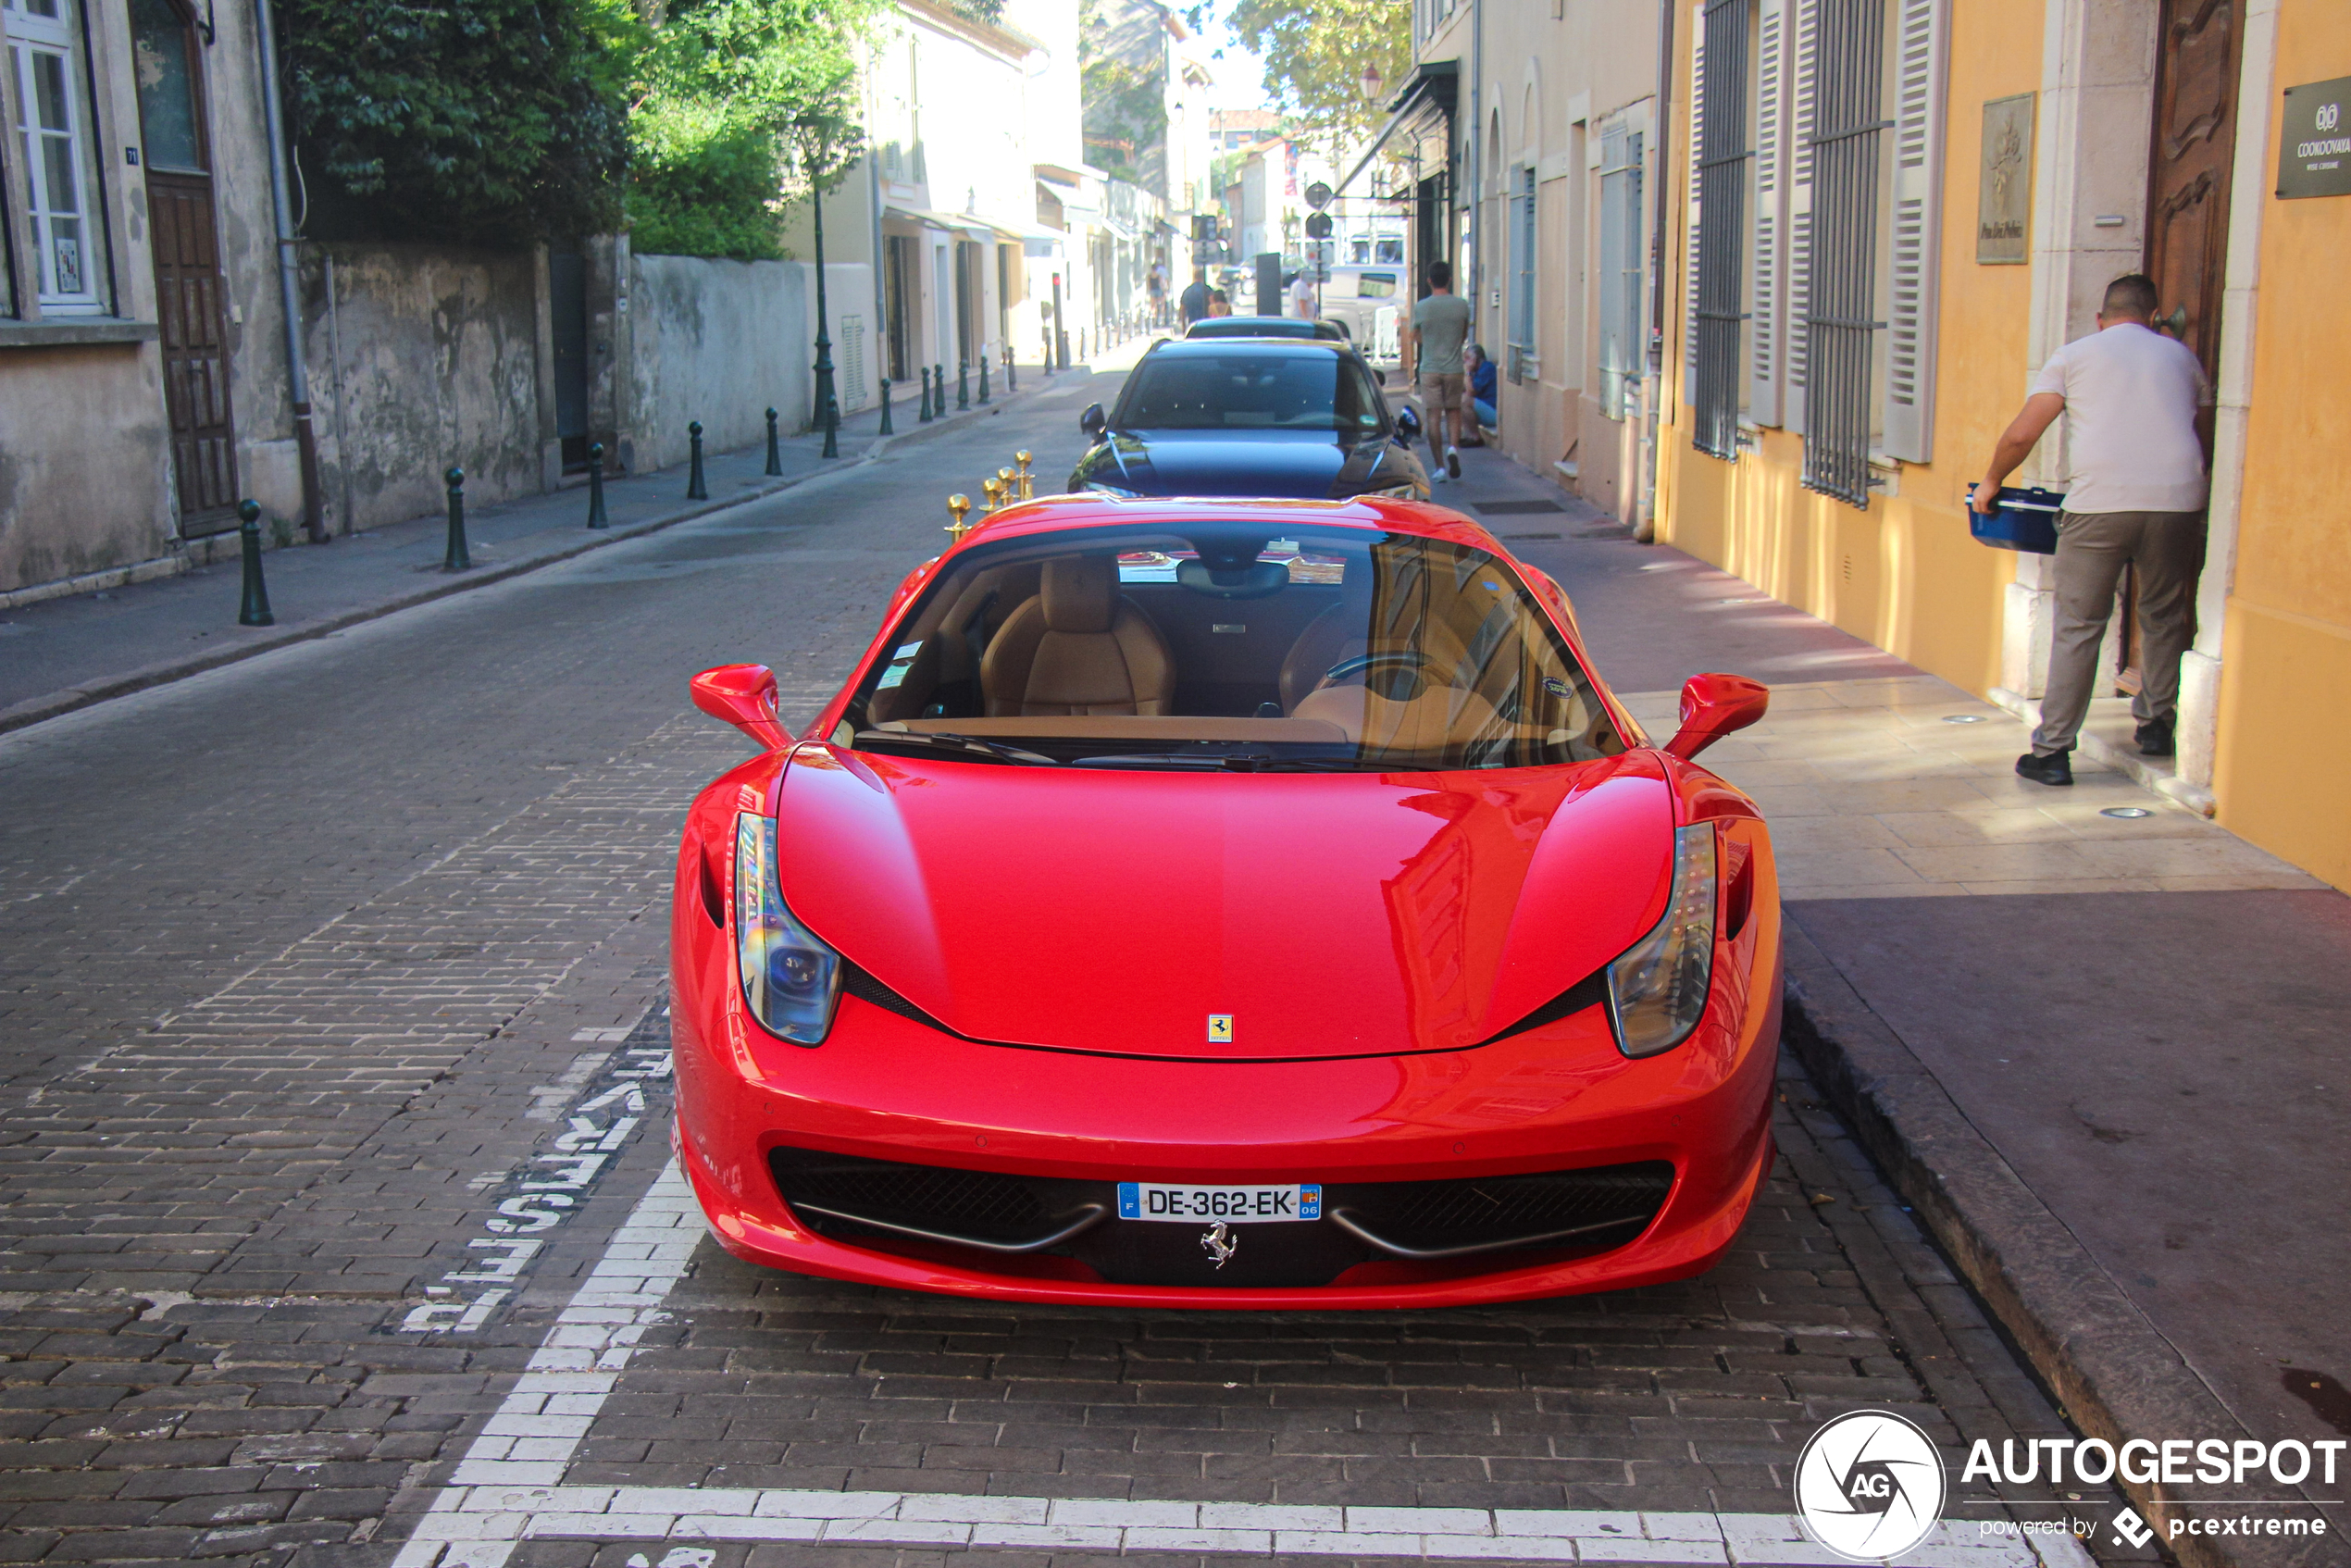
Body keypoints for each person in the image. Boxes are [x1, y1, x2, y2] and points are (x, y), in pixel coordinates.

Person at [1974, 272, 2211, 787]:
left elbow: (2022, 433)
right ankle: (2156, 723)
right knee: (2167, 614)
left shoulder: (2074, 355)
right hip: (2177, 504)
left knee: (2080, 625)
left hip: (2100, 505)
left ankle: (2053, 751)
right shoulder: (2182, 358)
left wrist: (1992, 481)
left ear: (2101, 319)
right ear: (2154, 318)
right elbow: (2204, 425)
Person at [1404, 260, 1473, 479]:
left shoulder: (1422, 307)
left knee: (1433, 416)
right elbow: (1463, 335)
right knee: (1454, 411)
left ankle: (1440, 467)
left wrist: (1429, 342)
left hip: (1430, 368)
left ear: (1429, 281)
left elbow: (1413, 336)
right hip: (1454, 368)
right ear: (1450, 280)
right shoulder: (1461, 305)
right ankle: (1453, 446)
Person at [1463, 343, 1498, 444]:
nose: (1465, 361)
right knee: (1457, 398)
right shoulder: (1477, 370)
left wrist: (1468, 372)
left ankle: (1476, 438)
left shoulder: (1487, 369)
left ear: (1476, 359)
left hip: (1493, 413)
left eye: (1468, 358)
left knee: (1465, 401)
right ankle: (1468, 435)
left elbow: (1470, 392)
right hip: (1485, 409)